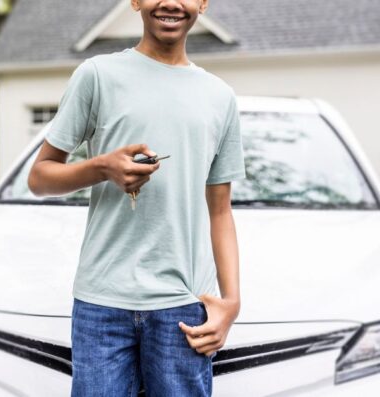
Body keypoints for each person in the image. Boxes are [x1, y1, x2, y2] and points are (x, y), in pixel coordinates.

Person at [27, 0, 245, 395]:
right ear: (135, 2)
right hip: (101, 305)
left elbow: (220, 210)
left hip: (183, 306)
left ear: (202, 3)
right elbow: (40, 177)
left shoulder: (220, 97)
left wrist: (231, 303)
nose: (171, 4)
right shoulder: (97, 76)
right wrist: (101, 167)